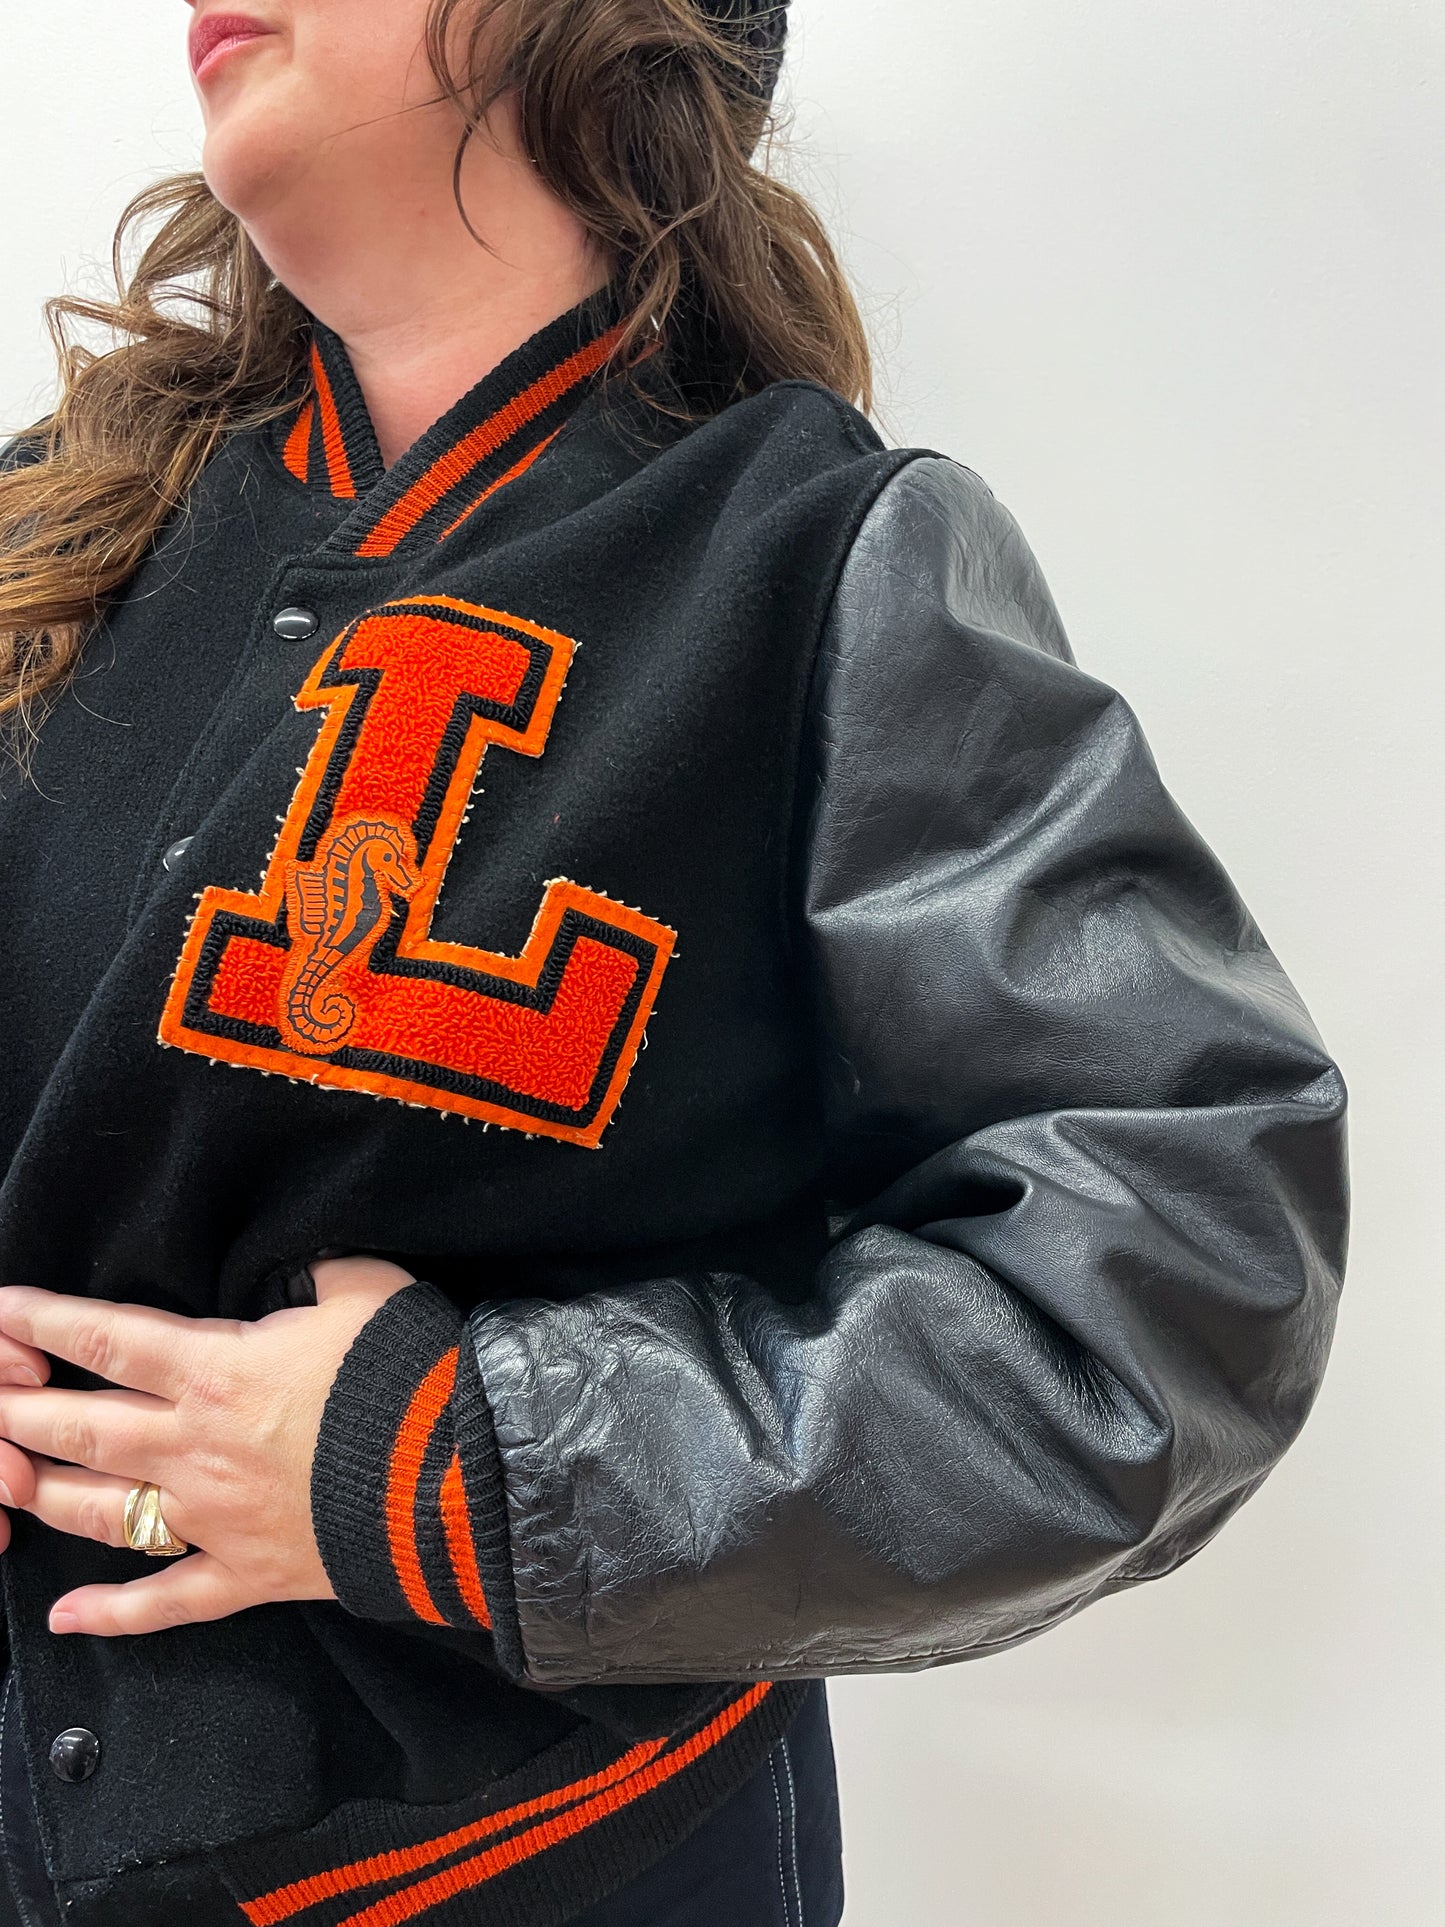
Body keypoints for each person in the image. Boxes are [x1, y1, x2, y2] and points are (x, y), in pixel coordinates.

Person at [0, 0, 1348, 1922]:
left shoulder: (819, 563)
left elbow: (1173, 1283)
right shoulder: (47, 530)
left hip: (541, 1869)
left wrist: (452, 1464)